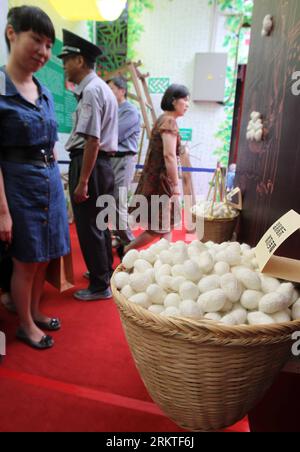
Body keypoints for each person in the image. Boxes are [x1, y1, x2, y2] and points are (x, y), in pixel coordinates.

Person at [0, 6, 70, 349]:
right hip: (17, 184)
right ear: (12, 33)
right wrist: (2, 210)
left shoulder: (42, 90)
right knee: (25, 259)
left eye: (48, 45)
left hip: (49, 181)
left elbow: (50, 142)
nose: (43, 52)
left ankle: (36, 309)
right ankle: (25, 325)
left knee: (45, 254)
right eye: (36, 40)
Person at [58, 30, 118, 301]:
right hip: (101, 165)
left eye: (67, 59)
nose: (63, 65)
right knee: (100, 223)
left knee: (89, 225)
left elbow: (92, 140)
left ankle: (99, 285)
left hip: (89, 163)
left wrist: (82, 181)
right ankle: (104, 272)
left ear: (80, 61)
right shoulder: (100, 88)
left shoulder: (92, 91)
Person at [126, 84, 190, 252]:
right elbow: (169, 156)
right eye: (185, 99)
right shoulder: (169, 122)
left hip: (158, 181)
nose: (187, 104)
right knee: (158, 228)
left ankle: (165, 262)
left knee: (165, 226)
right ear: (174, 101)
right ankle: (126, 250)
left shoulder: (165, 120)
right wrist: (176, 187)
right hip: (160, 184)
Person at [108, 76, 140, 256]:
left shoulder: (130, 111)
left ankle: (130, 244)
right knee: (110, 202)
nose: (109, 93)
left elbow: (113, 135)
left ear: (122, 90)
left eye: (111, 89)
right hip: (111, 159)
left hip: (123, 159)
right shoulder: (115, 109)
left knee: (118, 202)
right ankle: (120, 239)